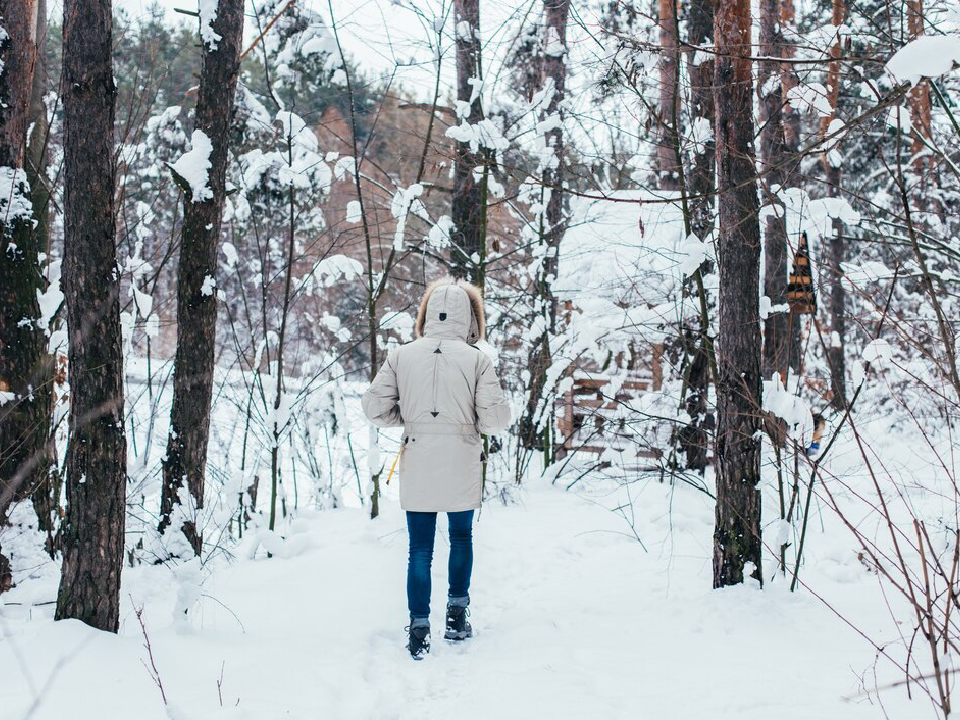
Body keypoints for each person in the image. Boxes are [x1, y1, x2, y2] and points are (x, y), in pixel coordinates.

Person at [361, 277, 512, 659]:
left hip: (420, 456)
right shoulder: (478, 359)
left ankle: (418, 628)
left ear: (427, 314)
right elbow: (494, 420)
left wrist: (413, 421)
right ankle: (457, 619)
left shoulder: (401, 355)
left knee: (420, 549)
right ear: (470, 318)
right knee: (461, 539)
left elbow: (374, 408)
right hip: (461, 459)